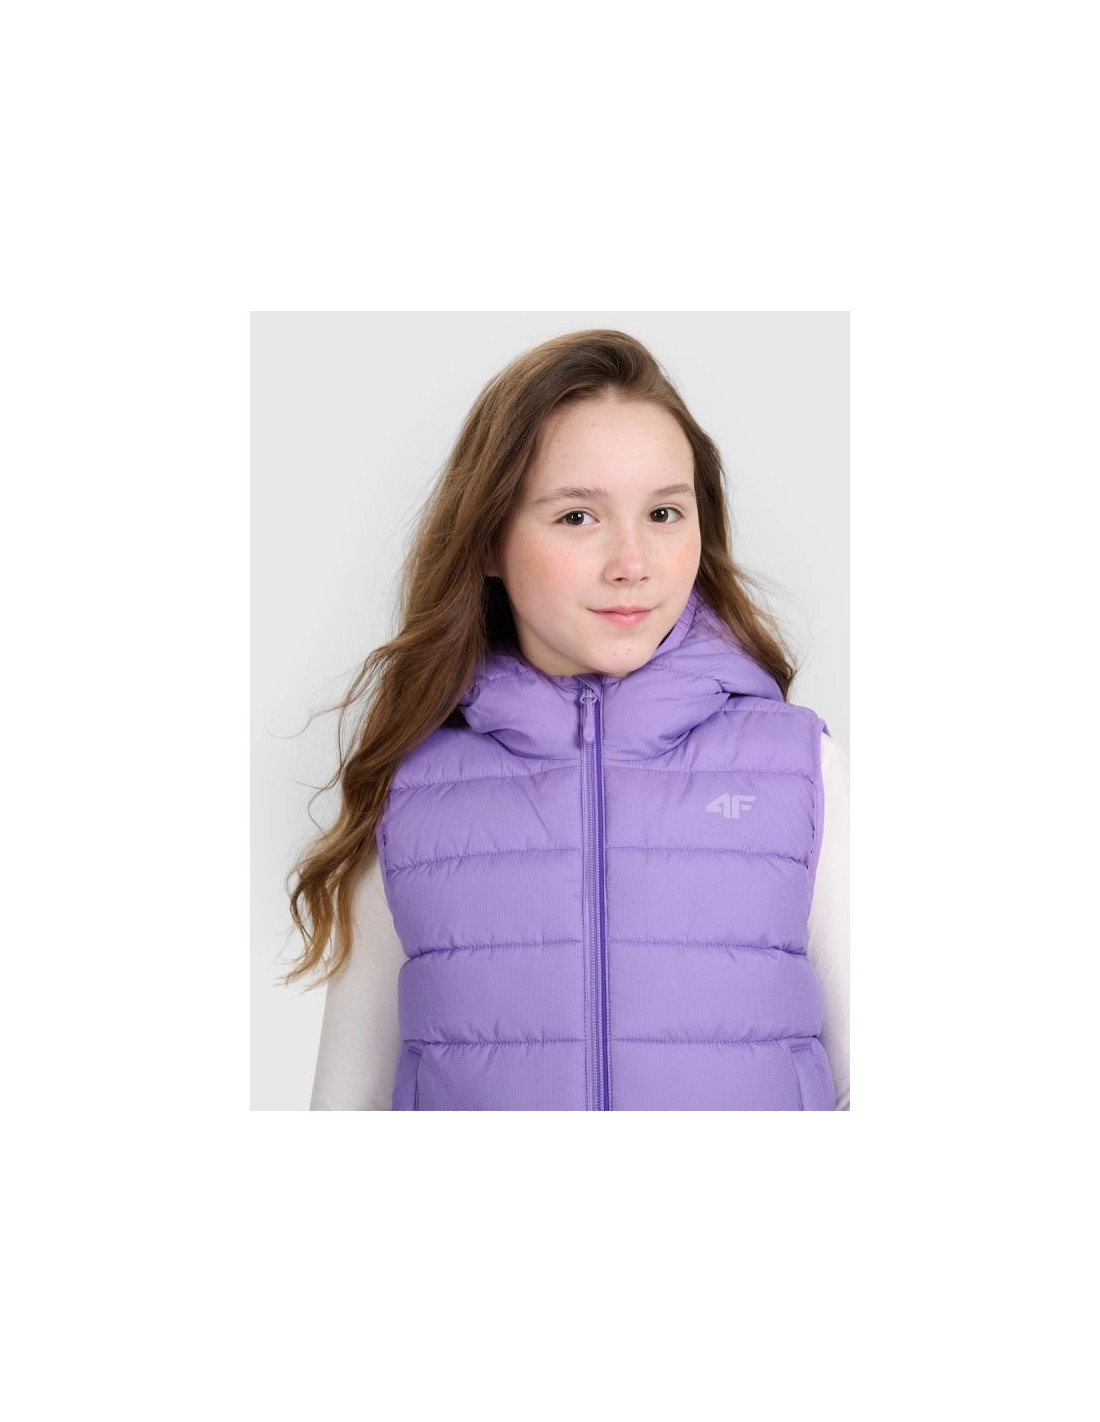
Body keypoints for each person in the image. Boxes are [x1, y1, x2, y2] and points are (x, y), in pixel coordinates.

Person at [283, 328, 849, 1111]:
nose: (632, 563)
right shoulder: (411, 792)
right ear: (489, 540)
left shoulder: (800, 772)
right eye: (578, 517)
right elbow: (347, 1108)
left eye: (664, 512)